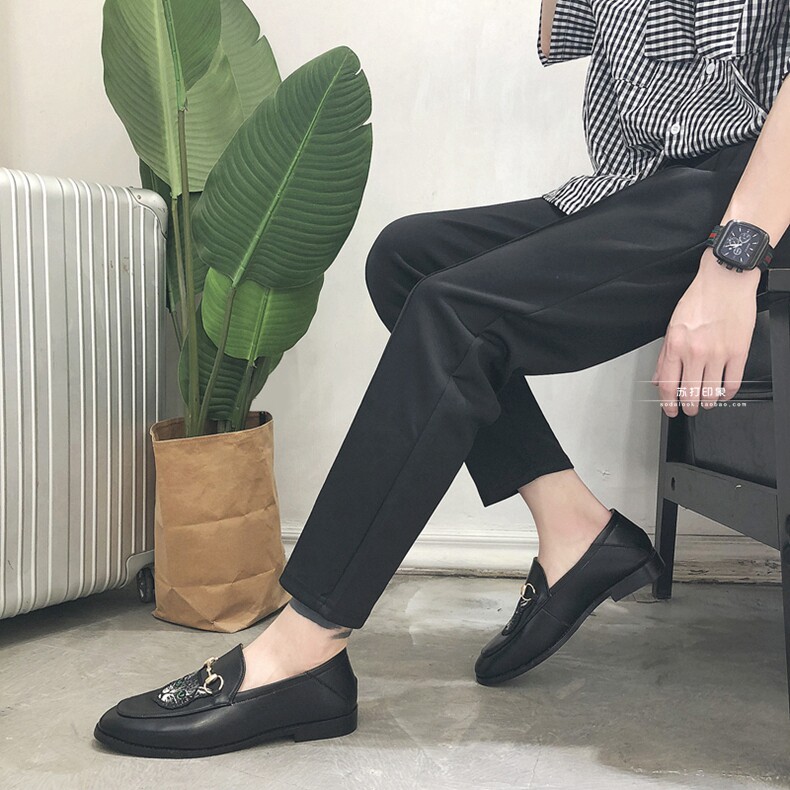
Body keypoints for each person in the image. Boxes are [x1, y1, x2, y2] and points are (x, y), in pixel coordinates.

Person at [94, 0, 790, 758]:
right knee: (408, 259)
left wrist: (738, 254)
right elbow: (584, 29)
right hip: (643, 178)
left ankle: (304, 647)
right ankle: (574, 526)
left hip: (753, 185)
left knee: (452, 313)